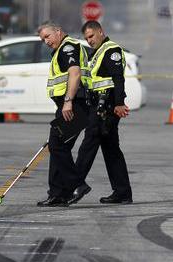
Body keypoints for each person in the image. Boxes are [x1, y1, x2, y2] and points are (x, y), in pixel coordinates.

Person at [74, 20, 133, 204]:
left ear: (101, 32)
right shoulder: (97, 53)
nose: (89, 40)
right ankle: (122, 193)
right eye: (86, 38)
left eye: (91, 36)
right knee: (111, 150)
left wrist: (119, 103)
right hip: (97, 105)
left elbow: (118, 78)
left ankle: (72, 186)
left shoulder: (111, 50)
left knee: (88, 145)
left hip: (106, 107)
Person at [35, 20, 92, 206]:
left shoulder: (68, 48)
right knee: (59, 147)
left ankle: (77, 185)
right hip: (68, 106)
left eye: (47, 36)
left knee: (57, 146)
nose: (46, 41)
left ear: (58, 31)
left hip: (73, 105)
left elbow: (74, 74)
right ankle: (57, 194)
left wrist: (67, 102)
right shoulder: (61, 49)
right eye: (43, 39)